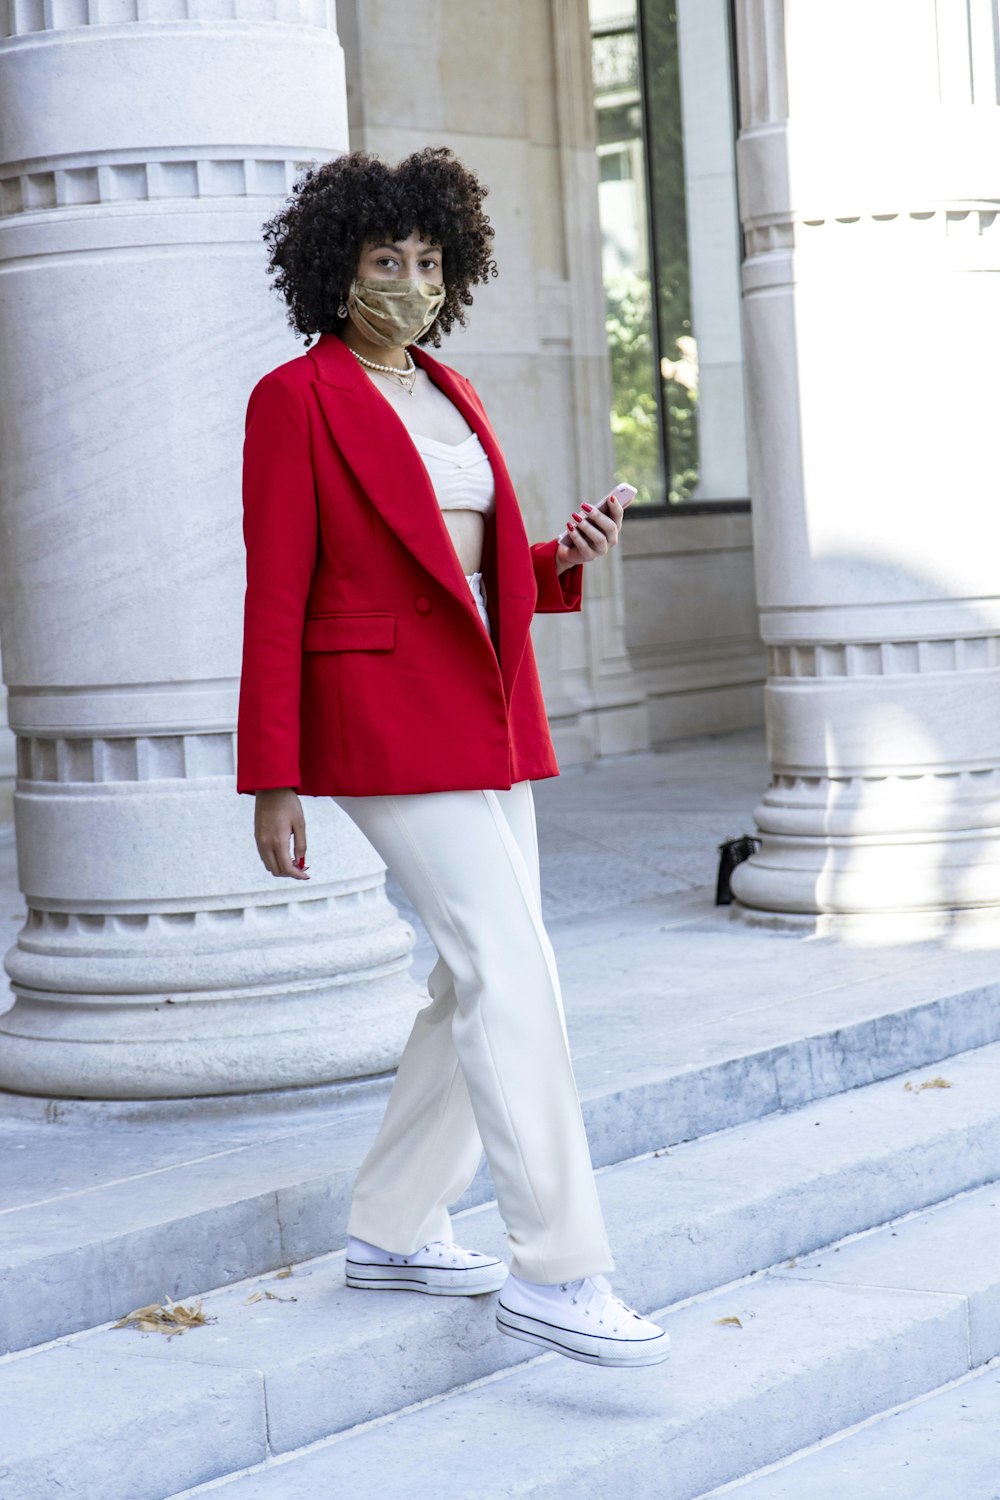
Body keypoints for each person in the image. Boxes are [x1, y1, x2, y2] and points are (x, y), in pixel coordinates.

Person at [237, 146, 669, 1370]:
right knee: (514, 973)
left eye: (430, 260)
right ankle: (559, 1267)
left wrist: (559, 558)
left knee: (475, 975)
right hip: (379, 717)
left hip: (480, 707)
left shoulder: (452, 389)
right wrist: (272, 772)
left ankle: (389, 1225)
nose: (411, 280)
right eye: (388, 260)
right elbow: (279, 593)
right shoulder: (296, 399)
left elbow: (465, 572)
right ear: (338, 269)